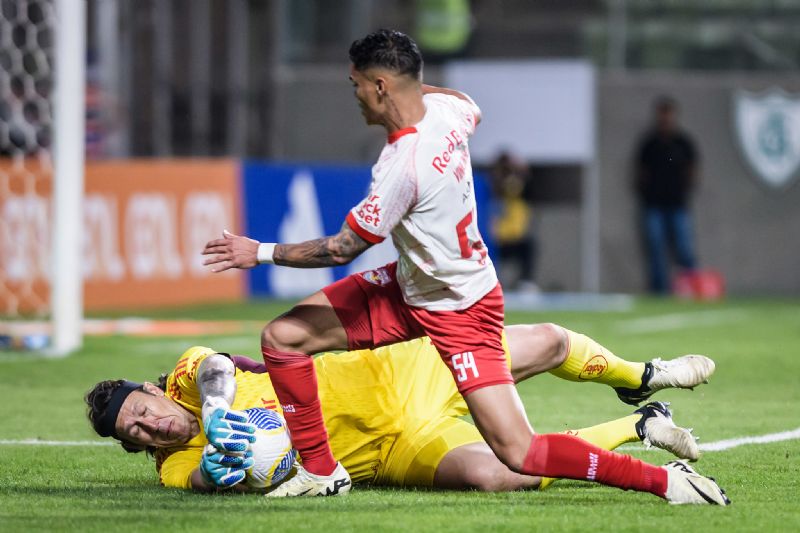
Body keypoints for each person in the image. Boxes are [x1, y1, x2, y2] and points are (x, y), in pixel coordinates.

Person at [201, 29, 722, 504]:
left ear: (381, 86)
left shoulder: (400, 166)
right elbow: (467, 105)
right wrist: (416, 89)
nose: (354, 94)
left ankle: (667, 481)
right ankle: (321, 470)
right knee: (283, 337)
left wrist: (260, 252)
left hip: (460, 310)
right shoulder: (450, 112)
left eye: (356, 84)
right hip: (411, 287)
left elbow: (340, 250)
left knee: (517, 453)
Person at [86, 323, 722, 500]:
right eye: (137, 434)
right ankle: (641, 424)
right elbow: (199, 480)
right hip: (391, 451)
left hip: (405, 368)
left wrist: (221, 411)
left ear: (154, 389)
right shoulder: (174, 467)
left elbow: (219, 364)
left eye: (142, 409)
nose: (151, 425)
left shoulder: (190, 380)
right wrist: (220, 473)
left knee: (551, 344)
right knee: (506, 473)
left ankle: (638, 379)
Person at [634, 96, 700, 294]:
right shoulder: (650, 144)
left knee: (684, 248)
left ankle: (692, 288)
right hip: (654, 204)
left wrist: (684, 189)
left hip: (678, 204)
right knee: (656, 248)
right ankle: (660, 291)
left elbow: (693, 171)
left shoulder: (683, 143)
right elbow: (641, 173)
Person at [489, 151, 538, 292]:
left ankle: (525, 281)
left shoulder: (520, 187)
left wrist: (521, 170)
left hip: (516, 236)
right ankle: (491, 282)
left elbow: (527, 186)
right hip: (498, 238)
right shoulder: (494, 187)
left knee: (529, 247)